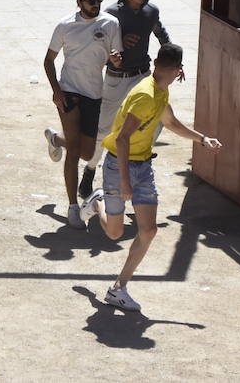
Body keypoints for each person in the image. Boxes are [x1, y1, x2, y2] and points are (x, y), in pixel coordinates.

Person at [85, 42, 222, 311]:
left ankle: (118, 288)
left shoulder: (161, 90)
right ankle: (96, 203)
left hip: (144, 166)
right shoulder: (145, 95)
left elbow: (170, 123)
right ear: (172, 69)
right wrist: (125, 182)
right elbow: (122, 140)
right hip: (118, 166)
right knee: (115, 233)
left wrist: (202, 139)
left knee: (148, 230)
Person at [81, 0, 171, 199]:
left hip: (142, 76)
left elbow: (161, 34)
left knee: (158, 121)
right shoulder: (112, 13)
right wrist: (117, 43)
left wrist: (173, 62)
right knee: (103, 129)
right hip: (116, 78)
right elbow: (97, 41)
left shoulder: (151, 11)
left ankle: (138, 156)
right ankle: (90, 169)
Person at [42, 0, 122, 229]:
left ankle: (56, 140)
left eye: (98, 0)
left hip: (94, 94)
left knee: (86, 152)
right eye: (91, 1)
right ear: (79, 2)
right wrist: (57, 92)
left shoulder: (111, 24)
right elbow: (48, 60)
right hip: (69, 92)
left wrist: (116, 61)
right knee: (75, 153)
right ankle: (73, 207)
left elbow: (115, 58)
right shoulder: (65, 26)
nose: (96, 4)